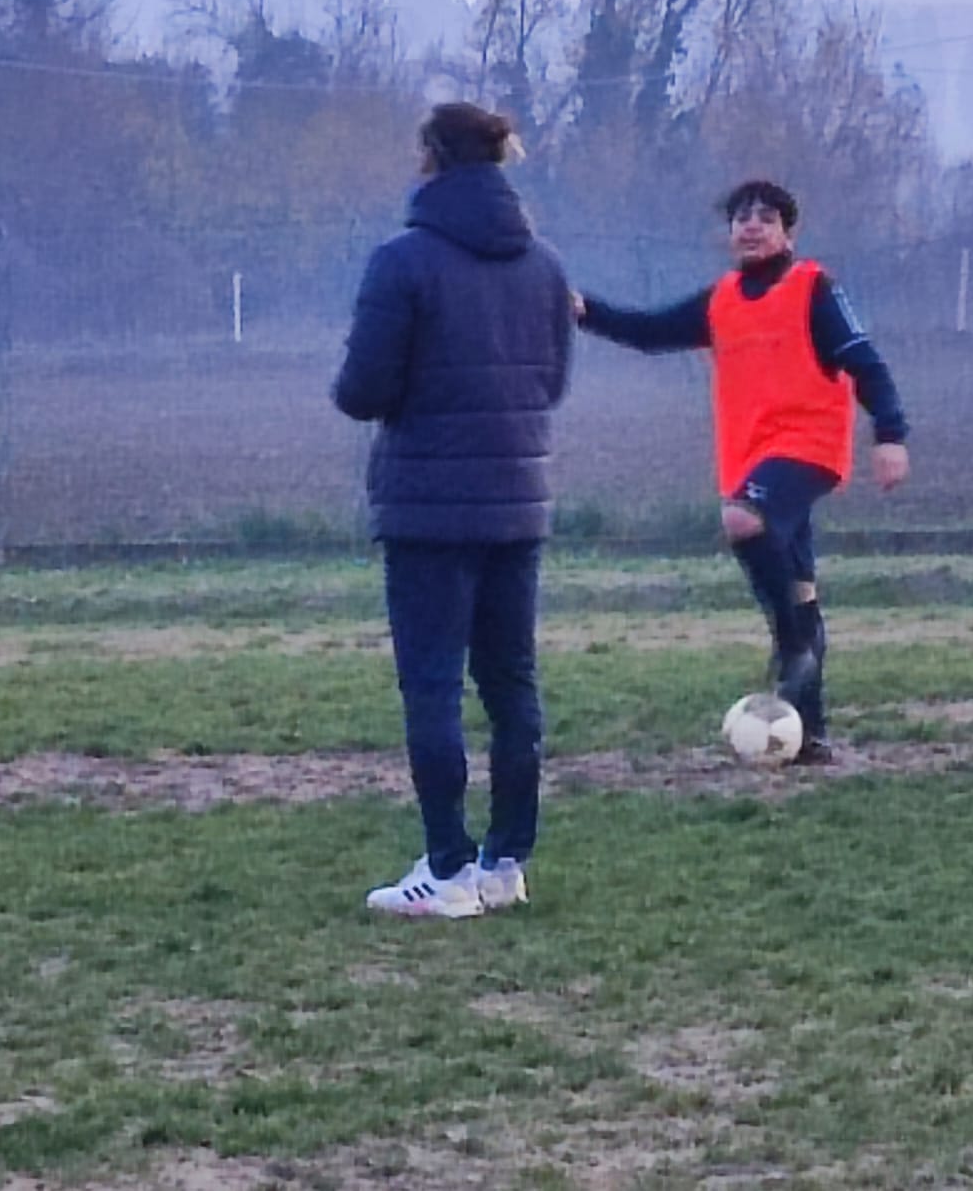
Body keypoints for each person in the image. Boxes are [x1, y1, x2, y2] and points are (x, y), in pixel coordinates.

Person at [574, 180, 911, 763]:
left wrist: (890, 434)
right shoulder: (721, 300)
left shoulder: (812, 288)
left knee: (743, 519)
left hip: (807, 449)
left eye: (766, 217)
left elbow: (865, 363)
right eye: (741, 218)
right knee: (800, 590)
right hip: (749, 458)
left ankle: (791, 645)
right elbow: (648, 331)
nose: (751, 226)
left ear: (788, 232)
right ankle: (807, 733)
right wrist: (583, 310)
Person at [333, 103, 574, 919]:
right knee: (512, 685)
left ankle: (445, 869)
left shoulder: (402, 262)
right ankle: (505, 862)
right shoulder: (545, 266)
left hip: (428, 510)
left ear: (430, 157)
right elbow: (552, 384)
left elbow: (363, 390)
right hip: (519, 504)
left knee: (432, 687)